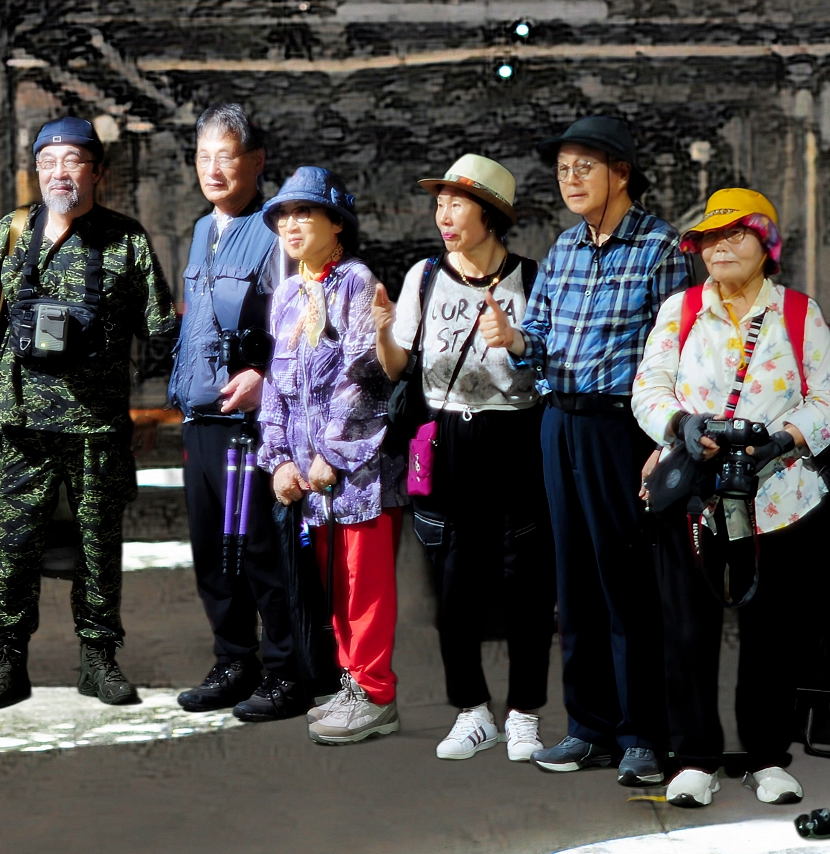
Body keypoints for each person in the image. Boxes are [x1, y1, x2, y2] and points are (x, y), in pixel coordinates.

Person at [480, 115, 687, 787]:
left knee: (627, 583)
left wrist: (667, 440)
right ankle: (589, 727)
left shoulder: (660, 247)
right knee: (571, 583)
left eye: (584, 167)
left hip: (621, 429)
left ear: (621, 173)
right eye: (563, 169)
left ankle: (643, 734)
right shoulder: (564, 249)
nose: (570, 179)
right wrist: (515, 338)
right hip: (559, 423)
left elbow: (676, 355)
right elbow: (539, 340)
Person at [631, 189, 830, 808]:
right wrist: (681, 427)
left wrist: (784, 438)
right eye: (708, 237)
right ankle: (694, 757)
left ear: (766, 244)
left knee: (773, 633)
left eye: (734, 234)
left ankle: (767, 756)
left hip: (778, 496)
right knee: (686, 630)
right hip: (694, 500)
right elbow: (649, 388)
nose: (719, 247)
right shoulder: (681, 310)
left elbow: (828, 397)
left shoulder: (798, 313)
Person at [0, 118, 176, 710]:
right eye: (48, 162)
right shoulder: (12, 232)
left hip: (96, 425)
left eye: (73, 161)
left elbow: (160, 325)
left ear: (97, 172)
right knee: (13, 547)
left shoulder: (125, 240)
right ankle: (7, 662)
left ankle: (99, 661)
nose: (59, 173)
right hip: (20, 422)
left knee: (99, 546)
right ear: (36, 171)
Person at [372, 154, 554, 764]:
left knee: (527, 580)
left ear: (491, 215)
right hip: (448, 434)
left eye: (457, 204)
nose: (443, 216)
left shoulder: (533, 277)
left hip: (517, 432)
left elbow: (552, 361)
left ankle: (524, 713)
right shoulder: (424, 277)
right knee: (454, 578)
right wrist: (382, 331)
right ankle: (472, 711)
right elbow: (398, 366)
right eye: (440, 204)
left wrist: (516, 341)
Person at [255, 167, 406, 747]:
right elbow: (277, 384)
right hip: (310, 478)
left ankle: (375, 694)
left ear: (336, 223)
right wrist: (279, 459)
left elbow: (365, 379)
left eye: (304, 213)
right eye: (283, 217)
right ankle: (351, 684)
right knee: (334, 587)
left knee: (363, 585)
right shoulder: (288, 292)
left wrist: (333, 455)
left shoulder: (355, 282)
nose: (290, 225)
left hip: (358, 472)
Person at [166, 103, 306, 723]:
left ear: (256, 161)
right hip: (201, 419)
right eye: (204, 157)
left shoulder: (278, 233)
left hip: (250, 426)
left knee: (257, 551)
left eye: (226, 156)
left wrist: (266, 378)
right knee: (212, 555)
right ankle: (233, 661)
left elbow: (306, 326)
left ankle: (286, 671)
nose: (213, 170)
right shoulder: (203, 229)